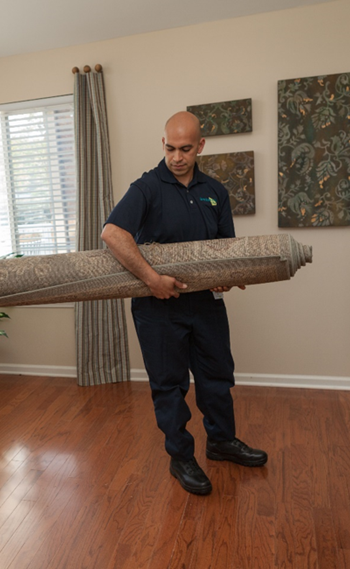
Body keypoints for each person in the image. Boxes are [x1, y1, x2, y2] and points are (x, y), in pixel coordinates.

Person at [101, 112, 266, 495]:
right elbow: (113, 233)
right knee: (169, 385)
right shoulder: (146, 188)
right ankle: (181, 457)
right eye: (170, 147)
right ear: (163, 144)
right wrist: (151, 279)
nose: (177, 156)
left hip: (206, 304)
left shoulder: (215, 191)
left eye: (186, 149)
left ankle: (222, 441)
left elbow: (226, 250)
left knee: (217, 377)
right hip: (158, 307)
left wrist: (232, 275)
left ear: (200, 147)